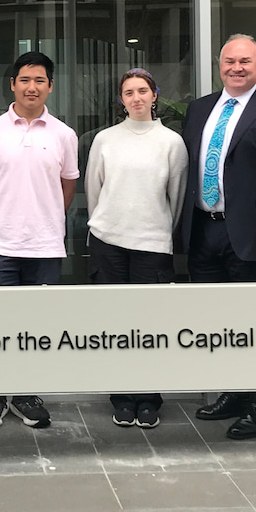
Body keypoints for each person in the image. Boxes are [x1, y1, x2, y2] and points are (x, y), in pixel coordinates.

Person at [180, 34, 256, 440]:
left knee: (255, 322)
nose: (237, 68)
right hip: (203, 230)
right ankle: (233, 393)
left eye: (245, 62)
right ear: (220, 65)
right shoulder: (199, 109)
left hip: (254, 235)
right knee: (217, 322)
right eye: (230, 61)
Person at [0, 51, 79, 430]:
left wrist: (42, 219)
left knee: (36, 325)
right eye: (25, 80)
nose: (32, 87)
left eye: (40, 80)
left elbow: (67, 188)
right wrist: (2, 218)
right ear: (12, 84)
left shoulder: (64, 135)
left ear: (50, 86)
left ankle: (27, 393)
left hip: (45, 246)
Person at [85, 67, 187, 429]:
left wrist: (156, 229)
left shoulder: (171, 143)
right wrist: (109, 224)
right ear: (121, 100)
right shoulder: (105, 140)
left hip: (152, 244)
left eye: (142, 91)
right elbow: (94, 191)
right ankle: (122, 396)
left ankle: (149, 398)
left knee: (150, 326)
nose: (136, 98)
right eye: (129, 92)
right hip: (108, 242)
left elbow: (175, 199)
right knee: (115, 324)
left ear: (154, 95)